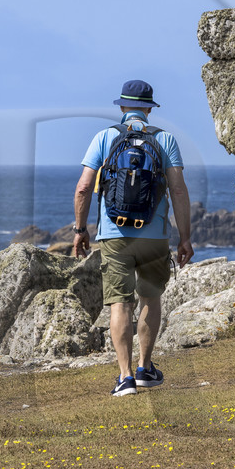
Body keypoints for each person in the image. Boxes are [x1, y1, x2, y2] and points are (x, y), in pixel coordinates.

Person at [73, 80, 193, 396]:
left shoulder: (105, 137)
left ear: (123, 107)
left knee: (119, 303)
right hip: (154, 235)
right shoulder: (165, 140)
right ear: (150, 108)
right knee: (150, 299)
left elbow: (84, 187)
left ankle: (125, 377)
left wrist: (80, 229)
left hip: (114, 235)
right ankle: (145, 368)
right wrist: (185, 238)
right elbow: (178, 190)